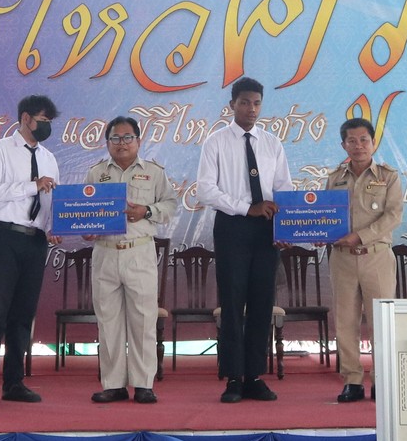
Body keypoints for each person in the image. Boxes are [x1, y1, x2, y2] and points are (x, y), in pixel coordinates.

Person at [197, 78, 292, 403]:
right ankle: (234, 378)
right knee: (233, 302)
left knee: (262, 302)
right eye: (244, 102)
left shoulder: (272, 143)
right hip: (232, 227)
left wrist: (285, 228)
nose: (251, 109)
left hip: (266, 229)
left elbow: (284, 189)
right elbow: (205, 190)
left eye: (256, 103)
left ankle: (254, 376)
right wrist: (245, 208)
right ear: (232, 105)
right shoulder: (215, 142)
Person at [84, 116, 177, 405]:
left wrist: (146, 211)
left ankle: (143, 384)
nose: (121, 143)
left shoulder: (154, 172)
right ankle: (113, 385)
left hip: (139, 252)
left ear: (138, 140)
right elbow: (85, 211)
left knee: (143, 319)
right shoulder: (96, 173)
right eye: (115, 138)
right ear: (107, 142)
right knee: (108, 321)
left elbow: (170, 204)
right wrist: (86, 229)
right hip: (105, 252)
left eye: (127, 138)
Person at [0, 94, 59, 408]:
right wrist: (31, 185)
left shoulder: (49, 158)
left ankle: (14, 382)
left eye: (49, 122)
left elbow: (51, 200)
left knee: (23, 314)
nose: (47, 126)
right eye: (43, 120)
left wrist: (53, 228)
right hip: (4, 238)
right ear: (26, 118)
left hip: (35, 241)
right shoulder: (0, 149)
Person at [326, 116, 403, 402]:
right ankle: (352, 380)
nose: (358, 145)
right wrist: (321, 233)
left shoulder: (388, 176)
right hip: (342, 259)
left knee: (380, 321)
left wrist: (360, 236)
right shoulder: (334, 178)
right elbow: (325, 214)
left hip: (376, 256)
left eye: (363, 140)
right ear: (343, 145)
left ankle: (380, 379)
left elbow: (393, 215)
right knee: (345, 321)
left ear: (373, 143)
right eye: (352, 141)